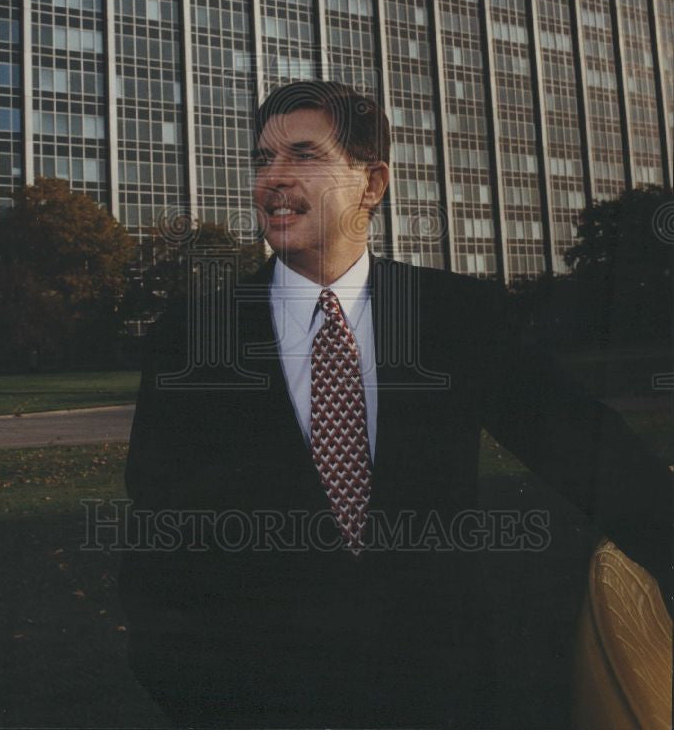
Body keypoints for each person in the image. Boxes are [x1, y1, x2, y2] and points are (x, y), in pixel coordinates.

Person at [119, 80, 671, 729]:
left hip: (439, 700)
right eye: (262, 160)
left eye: (303, 156)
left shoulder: (456, 316)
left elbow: (586, 449)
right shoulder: (194, 337)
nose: (274, 180)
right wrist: (200, 695)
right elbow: (160, 544)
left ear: (372, 182)